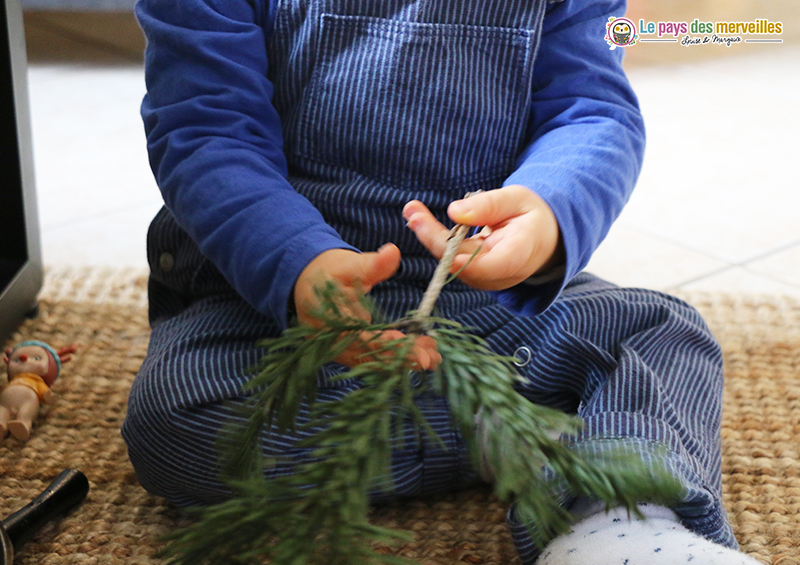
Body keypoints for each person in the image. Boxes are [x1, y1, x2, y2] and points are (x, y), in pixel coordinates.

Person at [122, 0, 760, 563]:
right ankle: (529, 430)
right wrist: (296, 262)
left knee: (662, 333)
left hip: (488, 303)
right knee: (174, 419)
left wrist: (545, 216)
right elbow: (205, 126)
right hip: (275, 305)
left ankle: (622, 524)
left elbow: (590, 110)